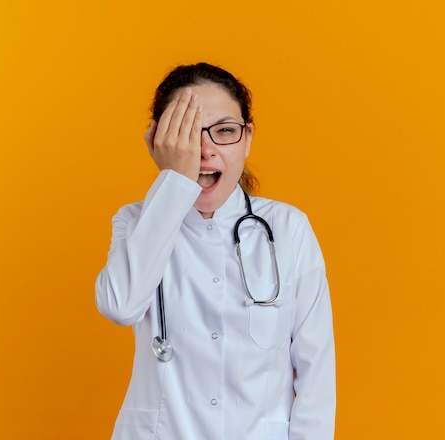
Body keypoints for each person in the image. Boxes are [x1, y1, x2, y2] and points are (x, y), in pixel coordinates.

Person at [95, 62, 335, 440]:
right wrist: (173, 181)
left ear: (247, 138)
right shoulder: (137, 222)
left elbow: (316, 374)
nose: (205, 150)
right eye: (187, 134)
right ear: (160, 140)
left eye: (225, 131)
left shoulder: (289, 229)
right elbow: (120, 306)